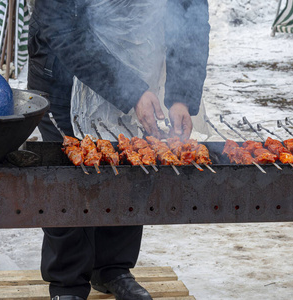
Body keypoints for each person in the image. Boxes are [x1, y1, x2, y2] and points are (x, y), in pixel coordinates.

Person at [27, 1, 210, 299]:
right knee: (71, 176)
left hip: (137, 60)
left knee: (129, 165)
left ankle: (113, 268)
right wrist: (132, 89)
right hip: (63, 71)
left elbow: (191, 16)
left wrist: (181, 96)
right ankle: (68, 282)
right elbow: (59, 25)